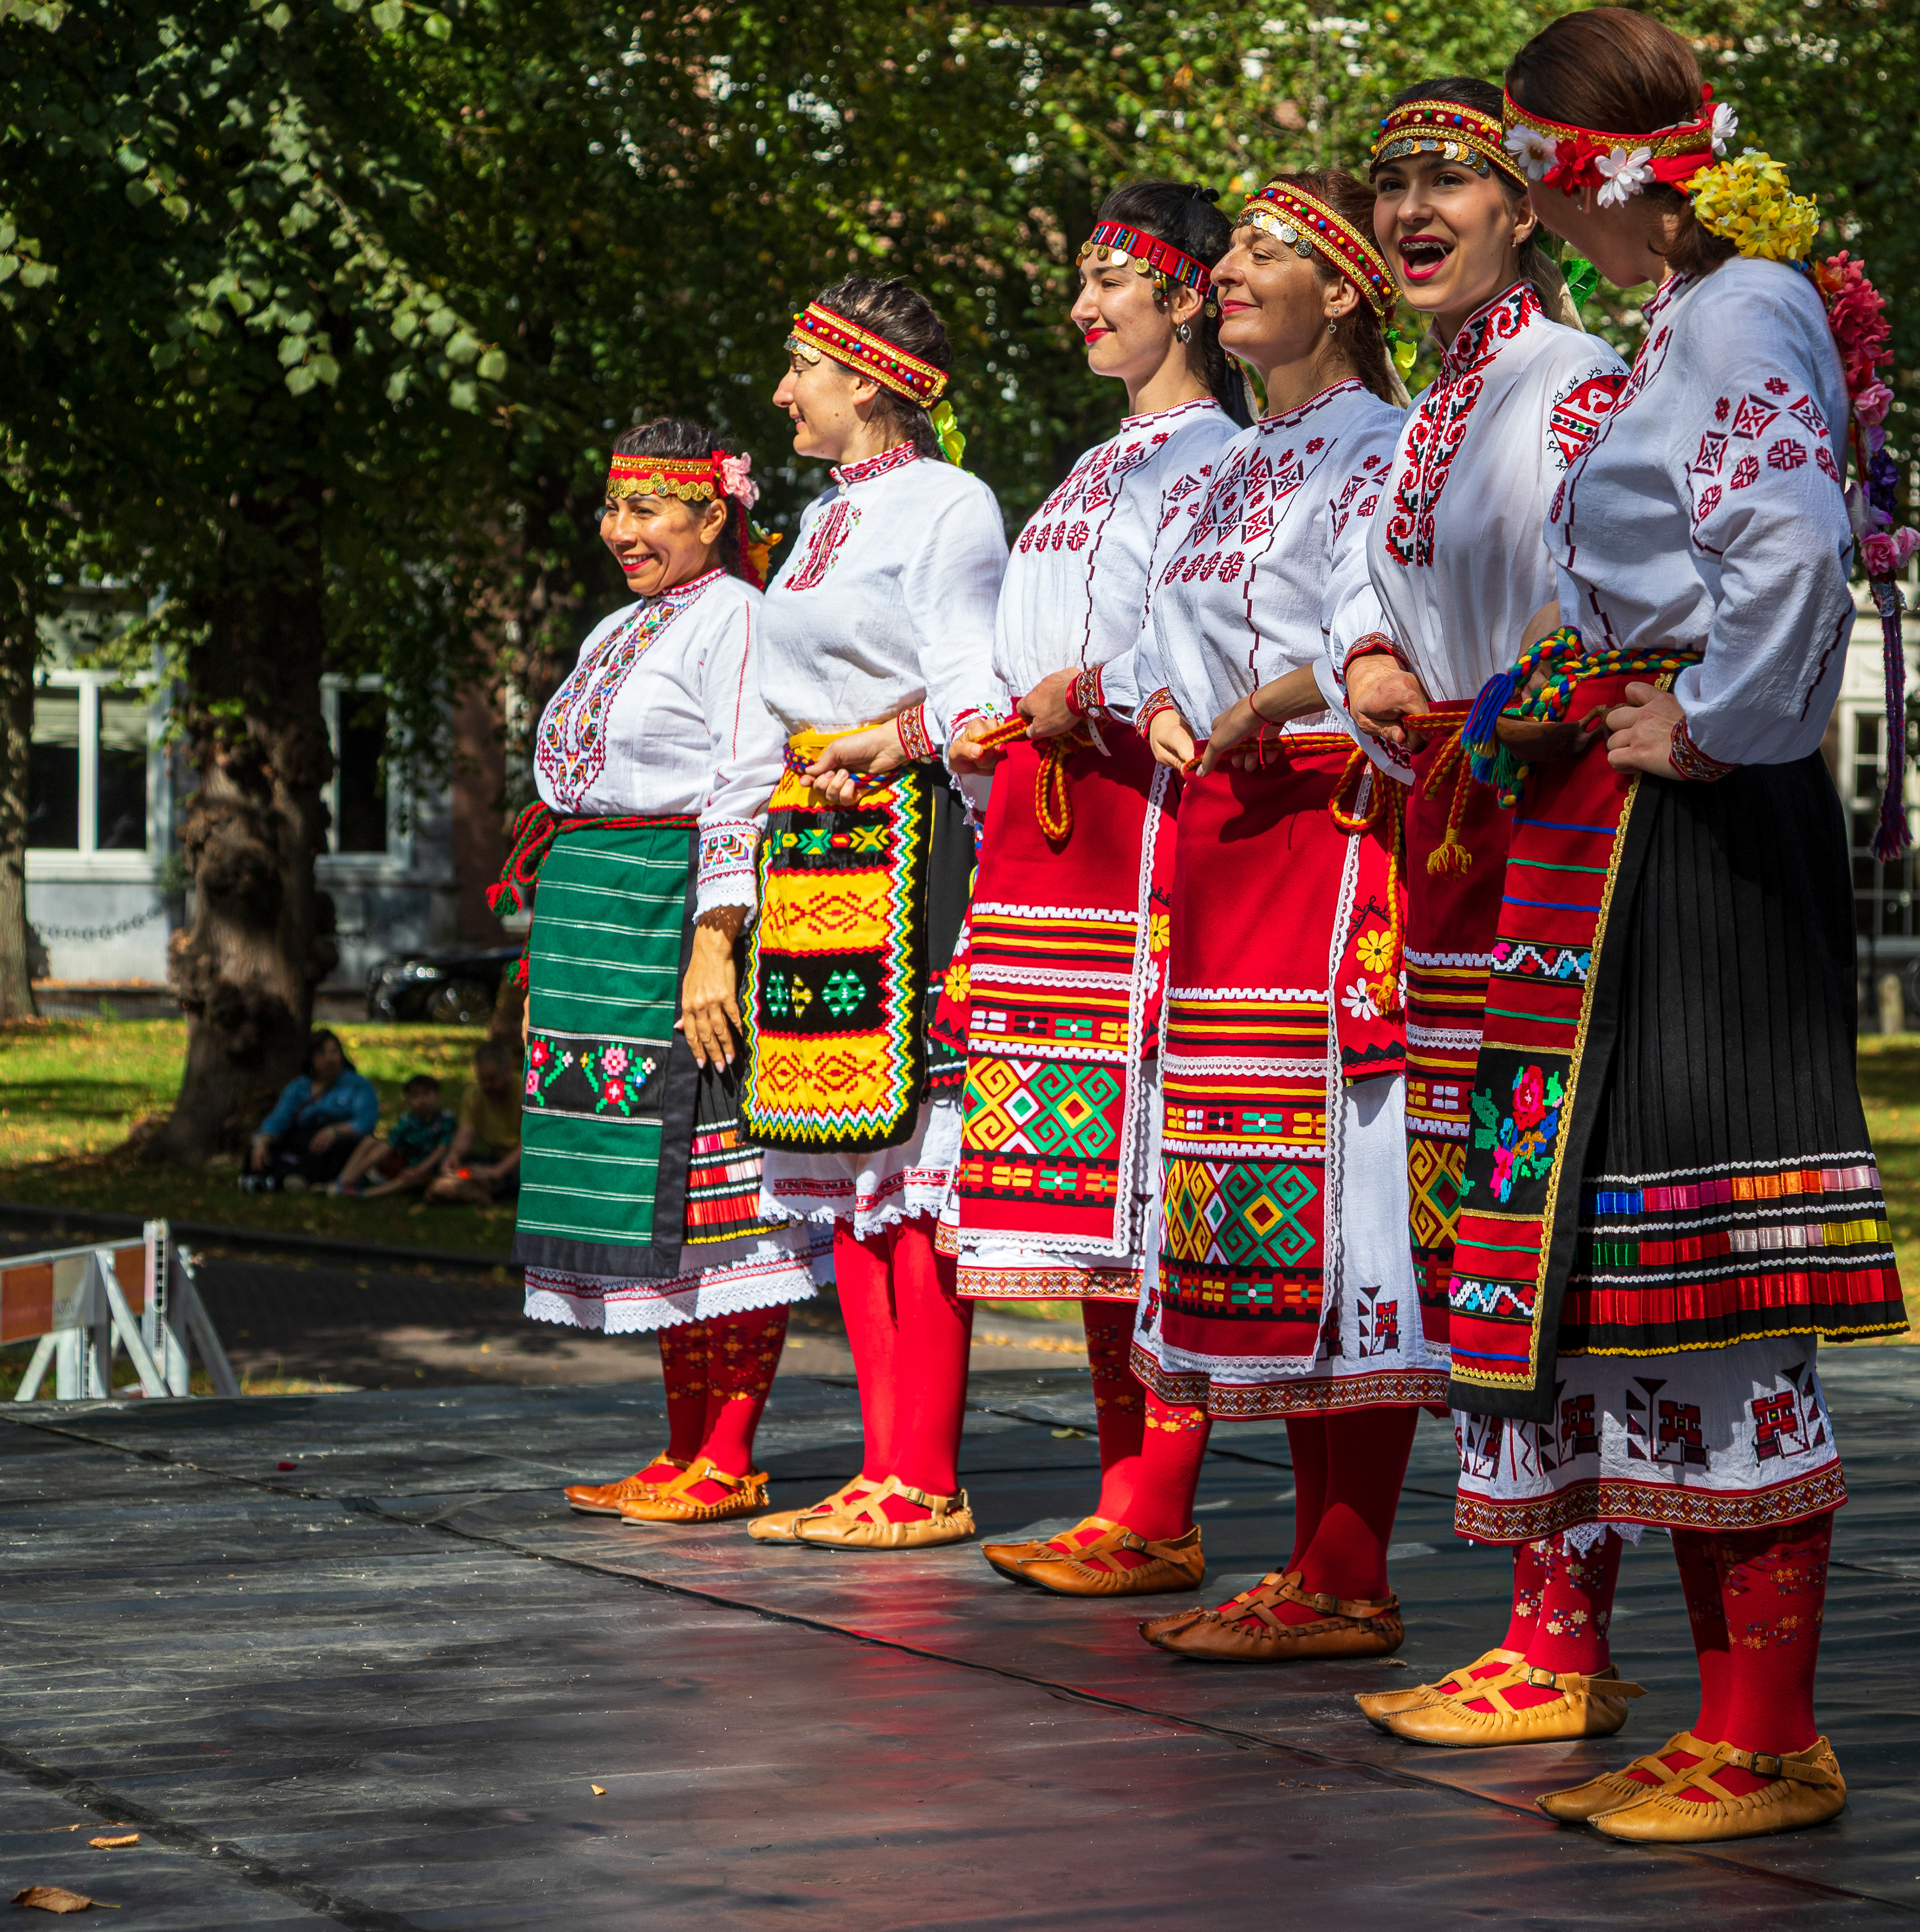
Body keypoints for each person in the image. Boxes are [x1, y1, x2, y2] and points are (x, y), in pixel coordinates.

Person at [1380, 10, 1908, 1841]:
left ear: (1589, 169)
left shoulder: (1739, 308)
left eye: (1528, 162)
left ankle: (1769, 1728)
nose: (1532, 198)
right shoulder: (1696, 318)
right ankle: (1717, 1713)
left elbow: (1787, 537)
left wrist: (1716, 720)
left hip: (1695, 824)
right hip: (1616, 824)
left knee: (1706, 1267)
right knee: (1618, 1277)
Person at [1328, 79, 1636, 1742]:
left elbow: (1614, 617)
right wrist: (1374, 657)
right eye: (1391, 184)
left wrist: (1492, 723)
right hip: (1453, 854)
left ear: (1527, 207)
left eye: (1448, 176)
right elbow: (1376, 594)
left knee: (1540, 1233)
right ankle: (1533, 1619)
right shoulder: (1438, 409)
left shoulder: (1574, 389)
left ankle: (1568, 1625)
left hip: (1551, 843)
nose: (1412, 206)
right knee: (1472, 1229)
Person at [1098, 167, 1438, 1653]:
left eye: (1262, 252)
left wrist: (1263, 703)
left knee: (1339, 1198)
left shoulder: (1377, 443)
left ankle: (1348, 1564)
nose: (1225, 272)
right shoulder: (1229, 462)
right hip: (1220, 843)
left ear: (1344, 290)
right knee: (1238, 1203)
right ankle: (1309, 1565)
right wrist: (1168, 701)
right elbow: (1154, 633)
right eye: (1227, 251)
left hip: (1323, 831)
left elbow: (1381, 627)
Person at [947, 180, 1247, 1594]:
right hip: (1045, 833)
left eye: (1112, 280)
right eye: (1080, 277)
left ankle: (1160, 1495)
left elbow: (1203, 644)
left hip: (1141, 826)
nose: (1082, 304)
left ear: (1189, 294)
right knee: (1076, 1188)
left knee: (1143, 1179)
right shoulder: (1097, 462)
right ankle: (1121, 1486)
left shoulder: (1213, 461)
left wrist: (1092, 696)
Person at [496, 417, 830, 1528]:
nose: (620, 529)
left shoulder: (736, 616)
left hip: (672, 909)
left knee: (711, 1190)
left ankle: (729, 1452)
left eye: (647, 508)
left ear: (710, 513)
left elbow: (745, 776)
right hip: (597, 916)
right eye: (612, 507)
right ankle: (683, 1445)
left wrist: (714, 942)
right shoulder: (619, 627)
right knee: (648, 1203)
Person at [741, 274, 1008, 1551]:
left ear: (867, 377)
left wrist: (884, 737)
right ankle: (877, 1461)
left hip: (912, 838)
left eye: (802, 366)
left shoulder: (949, 505)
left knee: (910, 1156)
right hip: (817, 844)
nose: (784, 391)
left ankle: (928, 1467)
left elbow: (976, 692)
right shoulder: (816, 524)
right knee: (837, 1154)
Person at [244, 1030, 380, 1193]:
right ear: (312, 1058)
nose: (329, 1059)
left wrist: (336, 1131)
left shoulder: (358, 1085)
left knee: (331, 1151)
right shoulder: (298, 1087)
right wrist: (262, 1141)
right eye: (322, 1053)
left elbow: (366, 1121)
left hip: (337, 1141)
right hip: (302, 1138)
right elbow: (279, 1119)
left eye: (334, 1052)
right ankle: (284, 1179)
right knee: (262, 1149)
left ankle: (278, 1180)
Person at [426, 1041, 525, 1205]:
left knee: (522, 1177)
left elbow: (528, 1146)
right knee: (446, 1163)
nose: (486, 1086)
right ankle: (477, 1190)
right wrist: (454, 1156)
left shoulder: (526, 1093)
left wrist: (498, 1172)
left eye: (492, 1080)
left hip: (521, 1163)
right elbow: (466, 1133)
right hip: (494, 1160)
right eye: (482, 1079)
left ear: (508, 1071)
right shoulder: (474, 1095)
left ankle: (471, 1191)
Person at [332, 1073, 455, 1197]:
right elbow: (390, 1144)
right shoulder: (408, 1121)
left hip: (433, 1171)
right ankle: (343, 1183)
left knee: (408, 1178)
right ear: (408, 1100)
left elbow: (441, 1151)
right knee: (369, 1141)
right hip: (405, 1165)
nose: (421, 1100)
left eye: (427, 1093)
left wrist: (418, 1170)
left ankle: (363, 1194)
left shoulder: (445, 1120)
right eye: (415, 1095)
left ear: (438, 1095)